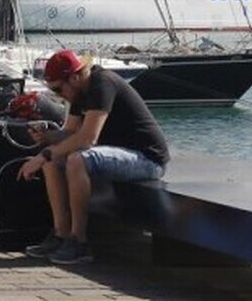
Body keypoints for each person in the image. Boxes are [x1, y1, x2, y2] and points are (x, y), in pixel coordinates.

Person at [17, 50, 170, 266]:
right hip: (117, 154)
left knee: (77, 160)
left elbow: (88, 138)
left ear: (75, 77)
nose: (59, 96)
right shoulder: (79, 92)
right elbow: (70, 132)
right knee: (53, 162)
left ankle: (79, 241)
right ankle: (61, 235)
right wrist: (47, 137)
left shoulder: (101, 84)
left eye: (59, 89)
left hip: (147, 159)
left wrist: (43, 155)